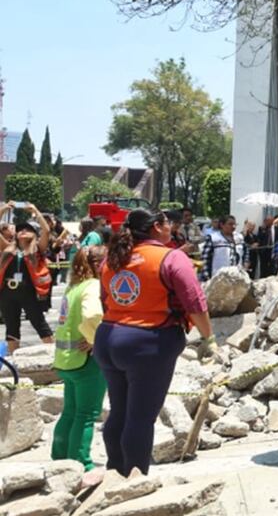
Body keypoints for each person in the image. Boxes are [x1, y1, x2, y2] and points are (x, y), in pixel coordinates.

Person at [95, 209, 217, 476]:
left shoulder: (113, 257)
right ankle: (135, 478)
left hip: (109, 337)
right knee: (140, 416)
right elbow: (194, 303)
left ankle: (115, 470)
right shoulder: (171, 257)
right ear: (157, 227)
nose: (170, 228)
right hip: (148, 342)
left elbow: (105, 299)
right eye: (167, 223)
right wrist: (209, 336)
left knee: (120, 410)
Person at [51, 245, 108, 475]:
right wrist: (96, 339)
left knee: (70, 411)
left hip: (66, 360)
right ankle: (80, 462)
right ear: (98, 265)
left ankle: (60, 456)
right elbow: (94, 315)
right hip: (86, 361)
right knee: (86, 414)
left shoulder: (73, 287)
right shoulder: (93, 286)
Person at [0, 202, 55, 351]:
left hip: (29, 291)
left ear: (34, 234)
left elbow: (47, 230)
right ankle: (13, 360)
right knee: (11, 327)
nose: (23, 231)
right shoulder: (8, 248)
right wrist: (3, 209)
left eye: (28, 230)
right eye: (20, 230)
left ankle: (54, 355)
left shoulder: (37, 248)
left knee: (39, 323)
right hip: (7, 292)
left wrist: (36, 211)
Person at [200, 215, 244, 281]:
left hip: (235, 277)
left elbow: (245, 250)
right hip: (218, 278)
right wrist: (207, 277)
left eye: (235, 224)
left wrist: (246, 262)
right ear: (222, 225)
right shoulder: (213, 238)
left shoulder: (239, 237)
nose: (233, 227)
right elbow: (205, 259)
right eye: (230, 224)